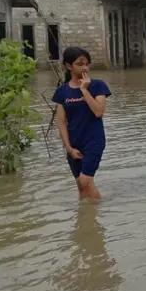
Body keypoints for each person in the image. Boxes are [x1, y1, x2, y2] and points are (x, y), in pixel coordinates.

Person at [52, 47, 111, 200]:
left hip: (94, 141)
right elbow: (61, 122)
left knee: (85, 181)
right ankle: (85, 217)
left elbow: (99, 112)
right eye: (80, 64)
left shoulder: (98, 86)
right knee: (80, 185)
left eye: (87, 64)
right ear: (69, 66)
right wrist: (69, 148)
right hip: (73, 143)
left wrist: (85, 91)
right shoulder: (62, 92)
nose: (85, 68)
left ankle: (97, 213)